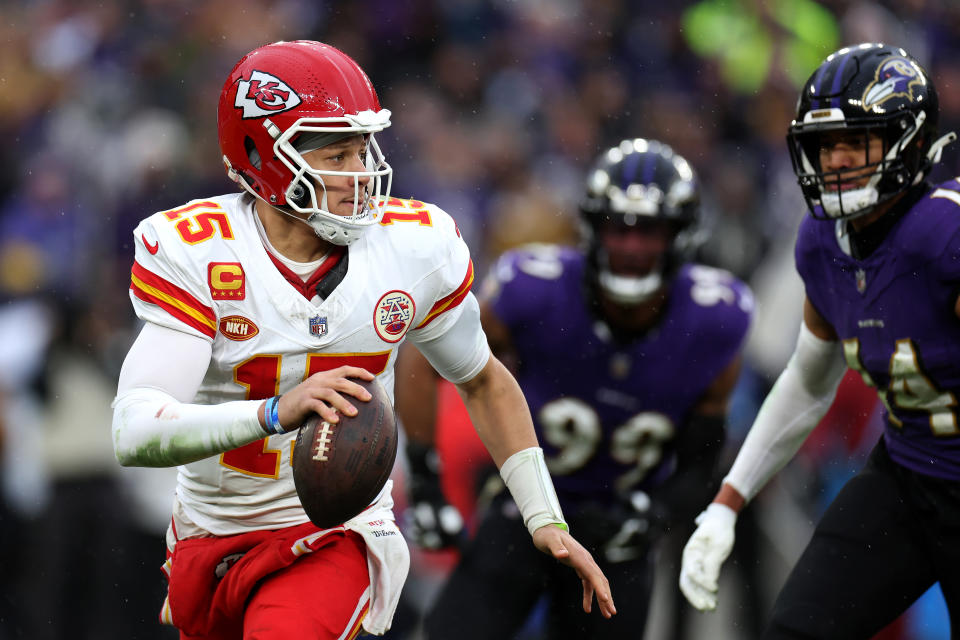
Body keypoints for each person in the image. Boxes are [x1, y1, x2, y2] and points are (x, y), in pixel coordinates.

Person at [110, 39, 615, 640]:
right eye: (336, 154)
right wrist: (273, 413)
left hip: (336, 532)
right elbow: (134, 432)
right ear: (263, 157)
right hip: (211, 534)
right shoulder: (200, 251)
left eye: (363, 148)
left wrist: (544, 518)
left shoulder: (412, 247)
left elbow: (480, 379)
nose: (360, 174)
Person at [396, 138, 753, 639]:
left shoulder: (715, 318)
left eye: (649, 231)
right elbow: (423, 353)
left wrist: (658, 514)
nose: (631, 248)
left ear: (681, 235)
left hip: (621, 529)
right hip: (522, 509)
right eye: (618, 228)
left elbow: (704, 457)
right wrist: (425, 478)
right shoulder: (532, 288)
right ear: (590, 228)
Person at [679, 42, 960, 639]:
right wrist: (728, 502)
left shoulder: (945, 237)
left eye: (855, 143)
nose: (835, 162)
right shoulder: (822, 243)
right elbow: (809, 379)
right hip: (909, 473)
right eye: (825, 146)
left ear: (907, 141)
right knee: (798, 629)